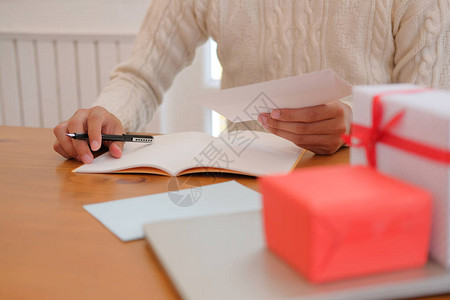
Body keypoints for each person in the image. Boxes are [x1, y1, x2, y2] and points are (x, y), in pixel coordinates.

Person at [53, 0, 450, 164]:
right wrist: (106, 121)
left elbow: (429, 116)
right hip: (241, 181)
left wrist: (354, 124)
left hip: (364, 191)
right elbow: (141, 75)